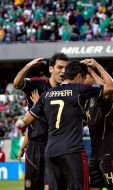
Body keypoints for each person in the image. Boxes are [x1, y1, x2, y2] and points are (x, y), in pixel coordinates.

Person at [22, 60, 113, 190]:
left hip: (51, 151)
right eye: (83, 79)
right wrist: (95, 66)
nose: (84, 82)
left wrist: (38, 105)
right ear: (79, 76)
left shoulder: (47, 94)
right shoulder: (78, 90)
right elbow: (112, 87)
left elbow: (26, 120)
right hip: (72, 151)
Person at [13, 53, 69, 190]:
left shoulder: (67, 92)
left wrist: (39, 106)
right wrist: (28, 66)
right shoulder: (38, 85)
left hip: (55, 146)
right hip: (35, 148)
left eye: (66, 68)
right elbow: (17, 83)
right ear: (51, 69)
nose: (63, 71)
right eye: (60, 67)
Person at [82, 61, 113, 190]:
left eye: (85, 77)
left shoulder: (102, 97)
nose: (82, 80)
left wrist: (93, 70)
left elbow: (110, 87)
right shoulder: (87, 101)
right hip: (96, 154)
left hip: (110, 152)